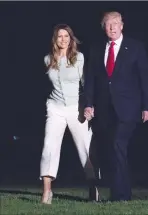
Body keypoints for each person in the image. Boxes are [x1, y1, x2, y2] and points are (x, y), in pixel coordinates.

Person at [84, 11, 148, 201]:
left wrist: (147, 106)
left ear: (122, 25)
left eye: (116, 23)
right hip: (105, 109)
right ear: (103, 27)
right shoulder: (97, 49)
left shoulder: (136, 47)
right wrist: (89, 104)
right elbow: (90, 79)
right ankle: (120, 192)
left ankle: (121, 195)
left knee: (117, 145)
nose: (112, 27)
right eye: (108, 24)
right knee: (111, 150)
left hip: (128, 108)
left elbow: (145, 78)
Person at [40, 24, 98, 204]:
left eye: (66, 36)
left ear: (71, 38)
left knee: (85, 148)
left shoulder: (78, 58)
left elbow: (86, 84)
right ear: (55, 39)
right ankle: (47, 192)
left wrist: (89, 106)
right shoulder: (48, 59)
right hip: (55, 108)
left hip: (76, 108)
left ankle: (93, 189)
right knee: (49, 146)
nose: (63, 39)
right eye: (59, 36)